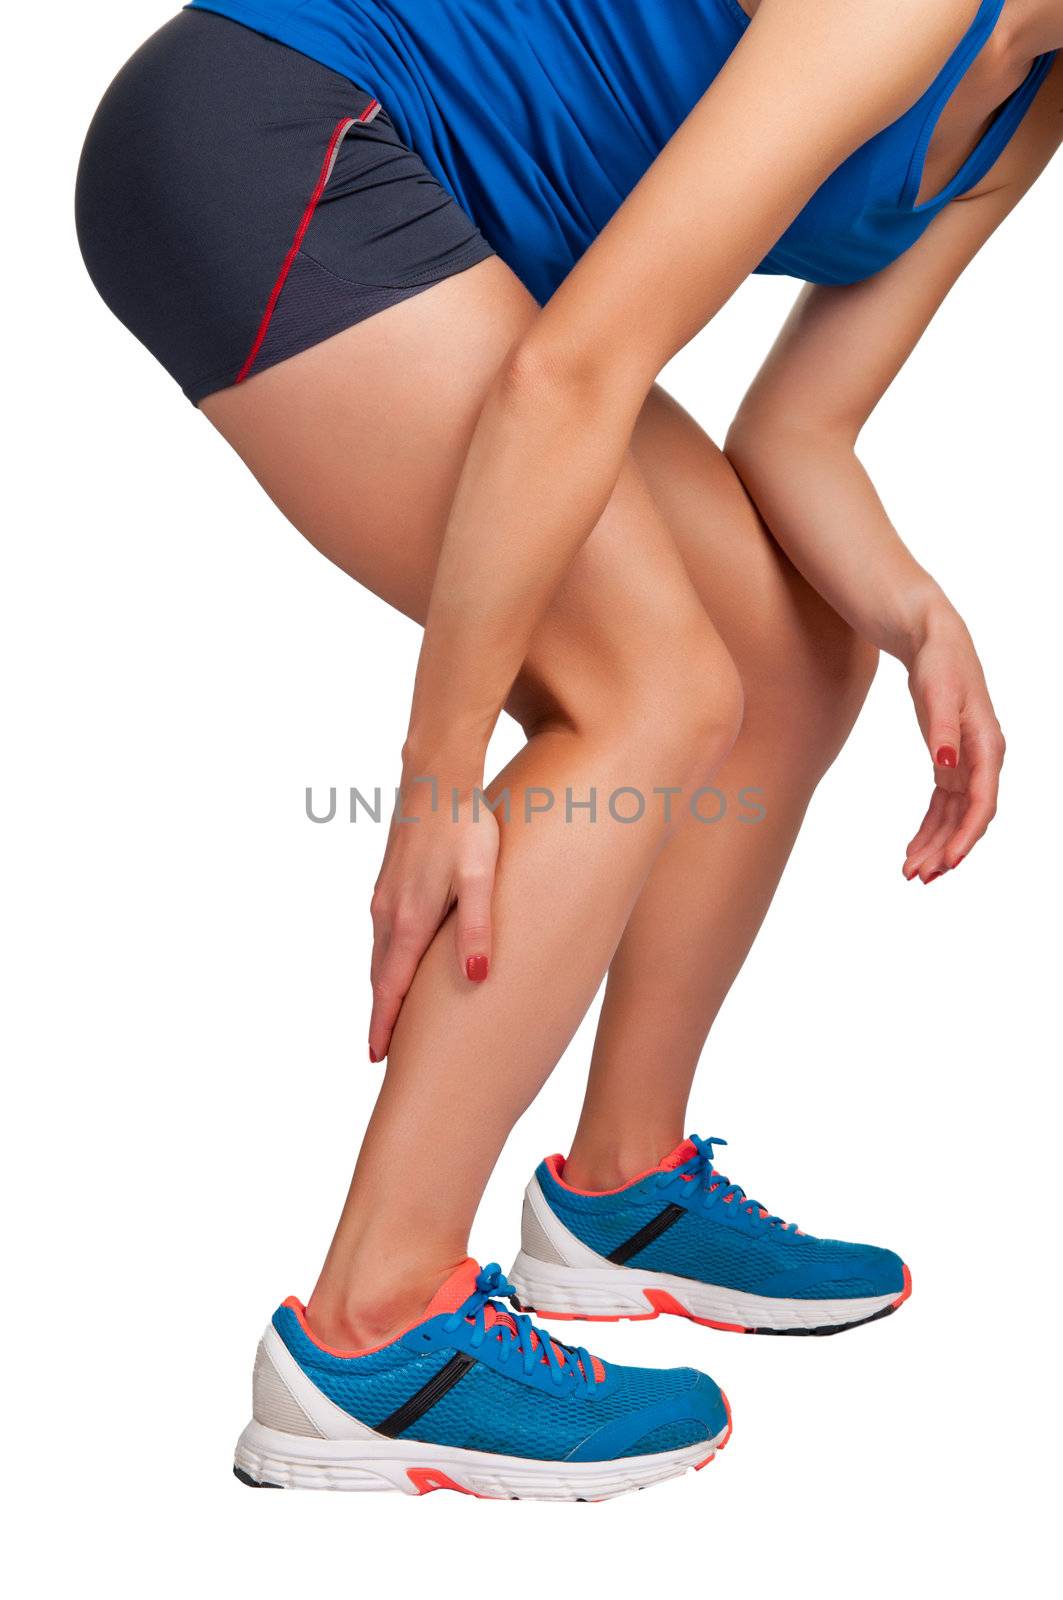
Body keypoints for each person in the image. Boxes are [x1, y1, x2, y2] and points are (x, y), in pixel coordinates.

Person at [75, 0, 1059, 1499]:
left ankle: (624, 1191)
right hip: (279, 133)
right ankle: (372, 1333)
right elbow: (570, 374)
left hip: (447, 227)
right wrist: (439, 774)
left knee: (795, 655)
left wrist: (921, 616)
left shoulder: (1033, 93)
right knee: (652, 690)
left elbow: (801, 428)